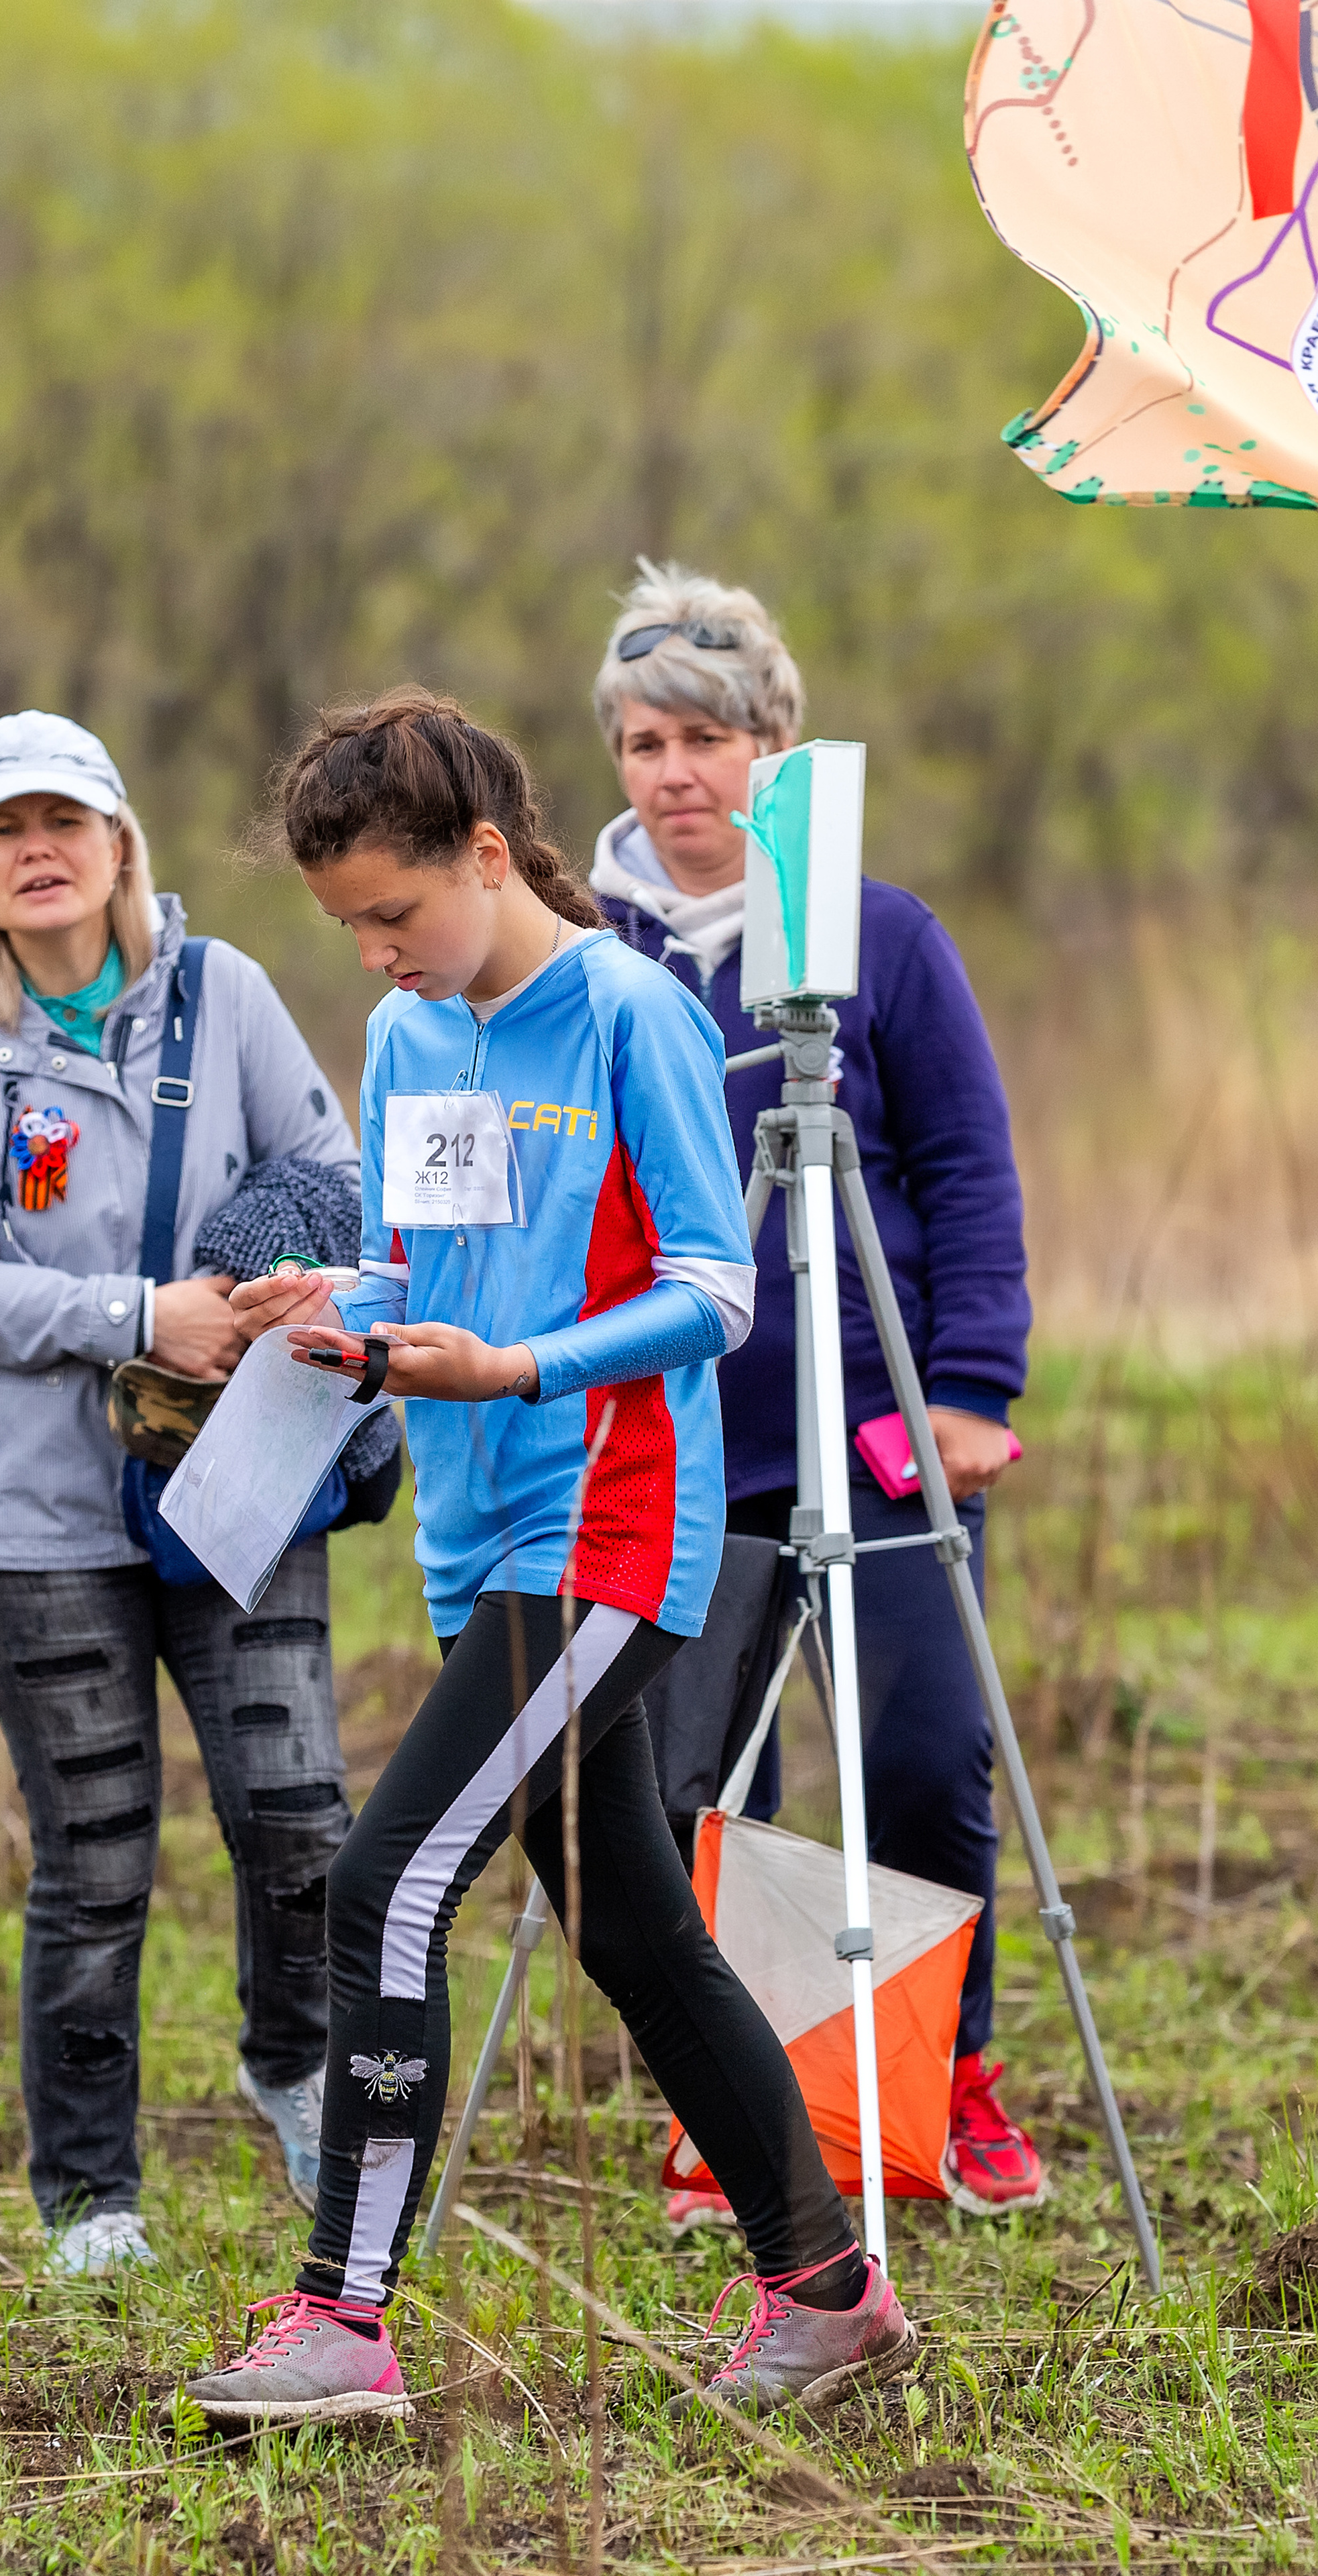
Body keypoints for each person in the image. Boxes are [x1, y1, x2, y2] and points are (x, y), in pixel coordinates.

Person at [181, 688, 917, 2427]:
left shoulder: (630, 1016)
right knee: (635, 1928)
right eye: (348, 925)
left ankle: (342, 2318)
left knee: (387, 1883)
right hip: (475, 1540)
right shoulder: (407, 1043)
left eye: (392, 913)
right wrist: (332, 1307)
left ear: (490, 856)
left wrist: (520, 1368)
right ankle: (829, 2291)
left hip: (613, 1525)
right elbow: (425, 1268)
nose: (373, 956)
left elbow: (718, 1290)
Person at [0, 708, 387, 2274]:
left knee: (298, 1825)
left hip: (241, 1480)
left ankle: (294, 2071)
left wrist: (264, 1282)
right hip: (33, 1524)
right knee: (93, 1861)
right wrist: (134, 1317)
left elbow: (334, 1169)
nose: (36, 852)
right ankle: (91, 2197)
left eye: (63, 823)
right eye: (0, 830)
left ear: (116, 845)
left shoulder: (221, 994)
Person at [588, 562, 1040, 2223]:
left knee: (919, 1757)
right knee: (702, 1777)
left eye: (705, 736)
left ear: (772, 746)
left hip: (876, 1428)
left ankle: (939, 2078)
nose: (674, 772)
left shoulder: (879, 934)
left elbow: (967, 1174)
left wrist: (970, 1387)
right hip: (683, 1438)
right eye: (643, 742)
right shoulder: (587, 950)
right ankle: (752, 2105)